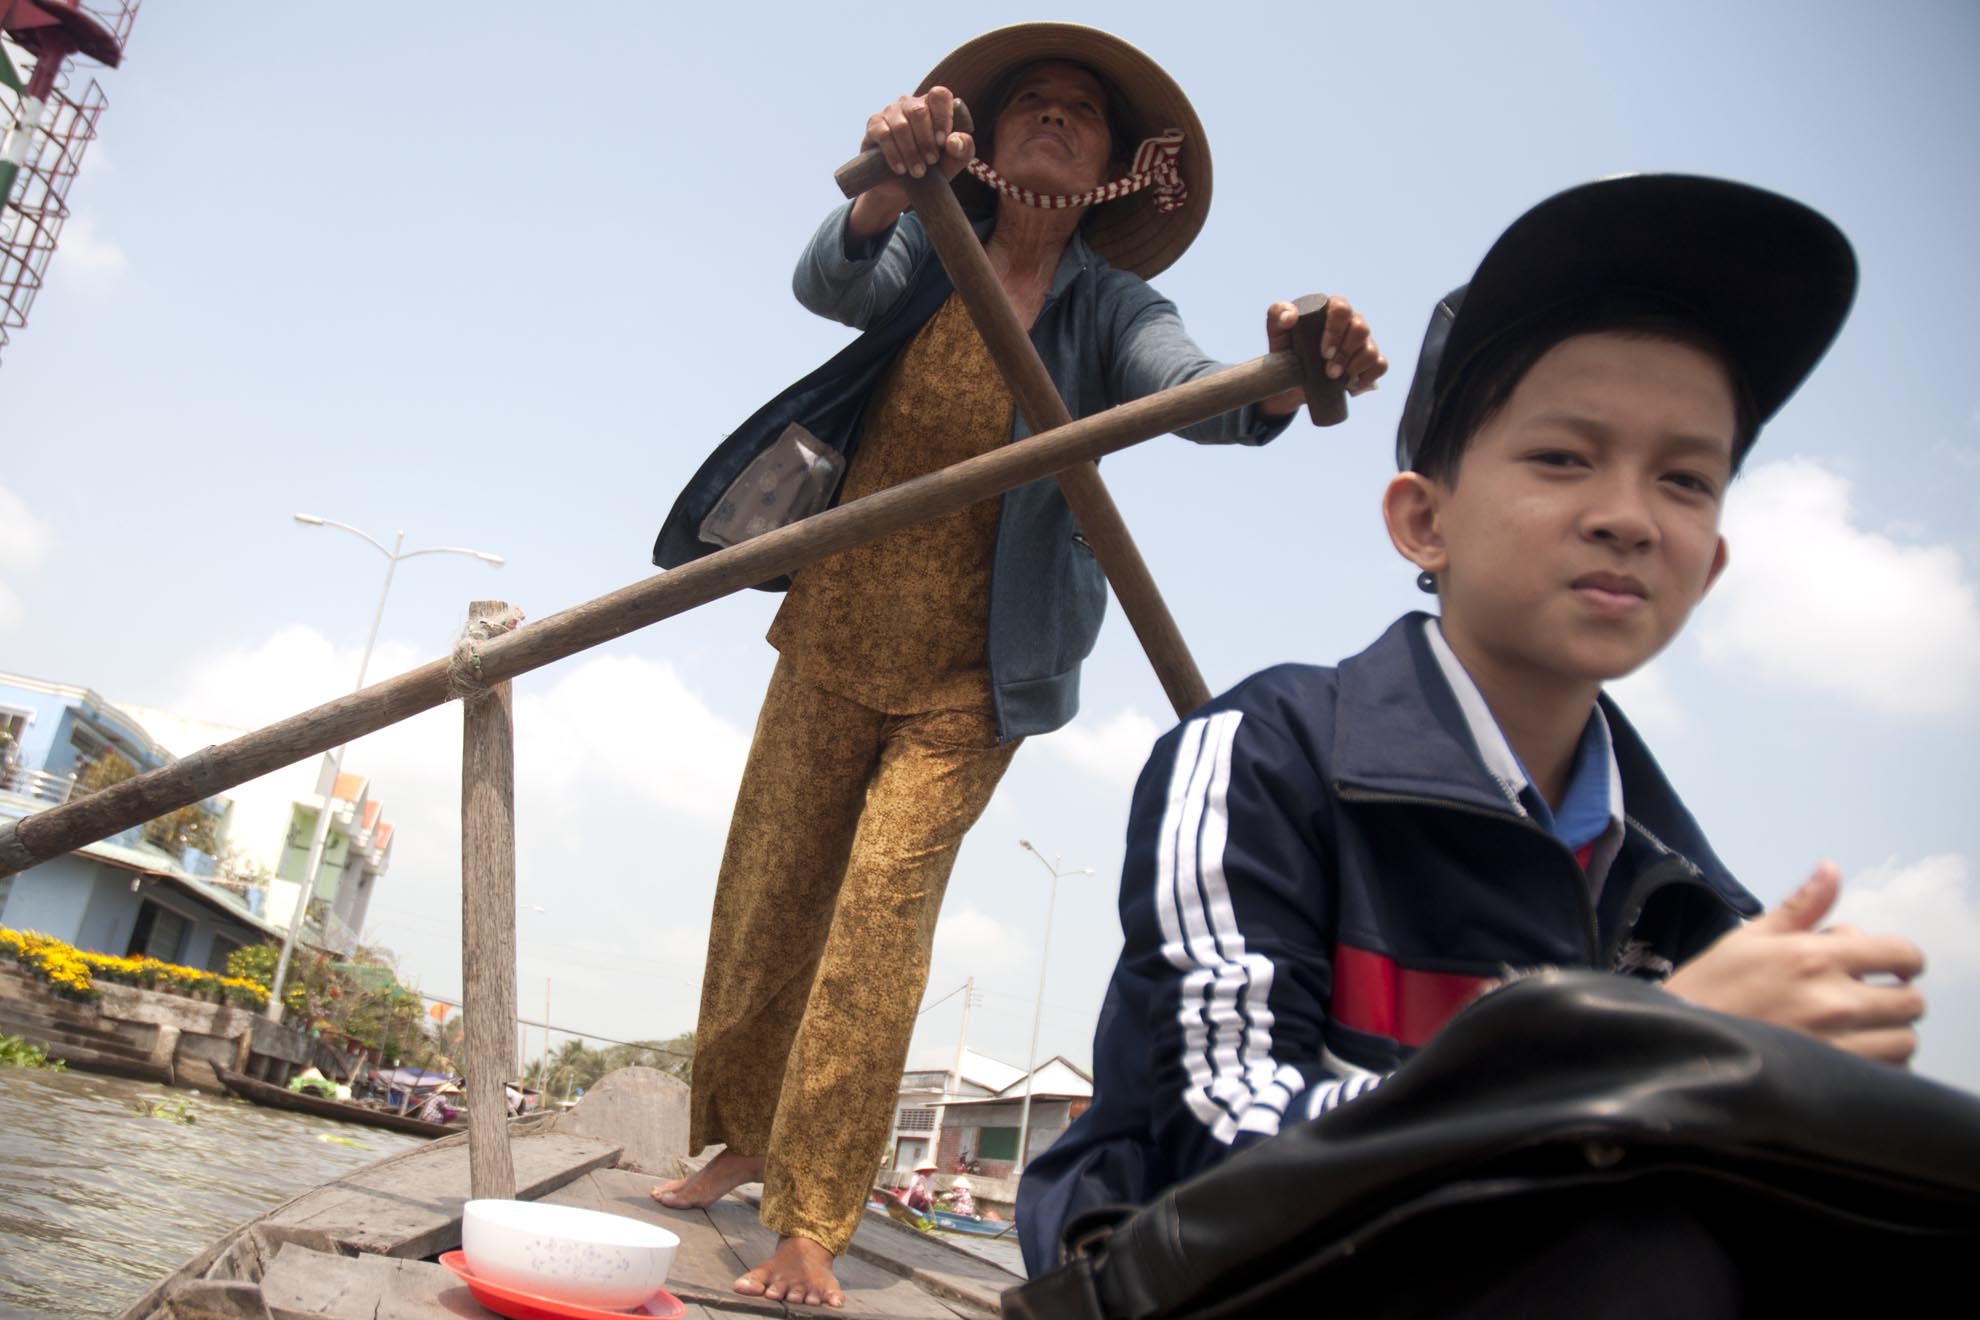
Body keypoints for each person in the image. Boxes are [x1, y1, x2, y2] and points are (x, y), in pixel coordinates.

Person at [1015, 174, 1930, 1298]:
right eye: (1563, 457)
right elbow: (1230, 1163)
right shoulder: (1259, 756)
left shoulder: (1691, 900)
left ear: (1715, 560)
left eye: (1687, 479)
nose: (1628, 515)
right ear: (1424, 519)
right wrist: (1653, 1048)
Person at [648, 23, 1387, 1310]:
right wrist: (887, 179)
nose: (1053, 117)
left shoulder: (1112, 306)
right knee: (773, 893)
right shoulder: (936, 240)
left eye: (1080, 113)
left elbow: (1194, 391)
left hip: (974, 681)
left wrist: (1283, 374)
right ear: (986, 139)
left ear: (1106, 164)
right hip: (832, 628)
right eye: (1032, 101)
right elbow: (835, 284)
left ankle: (814, 1216)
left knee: (879, 919)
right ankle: (745, 1137)